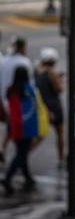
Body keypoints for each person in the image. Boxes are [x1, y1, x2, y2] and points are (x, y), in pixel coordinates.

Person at [2, 67, 37, 195]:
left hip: (14, 125)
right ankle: (8, 178)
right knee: (21, 154)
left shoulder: (11, 90)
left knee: (22, 152)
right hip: (25, 127)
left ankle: (28, 177)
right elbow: (34, 107)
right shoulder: (28, 89)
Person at [0, 37, 34, 162]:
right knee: (20, 136)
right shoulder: (24, 62)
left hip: (5, 100)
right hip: (18, 102)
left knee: (11, 129)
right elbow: (30, 84)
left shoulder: (5, 60)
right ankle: (19, 160)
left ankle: (4, 150)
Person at [35, 47, 64, 167]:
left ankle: (24, 154)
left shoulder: (37, 71)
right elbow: (59, 89)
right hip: (54, 105)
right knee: (60, 133)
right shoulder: (51, 72)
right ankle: (61, 159)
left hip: (41, 105)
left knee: (39, 134)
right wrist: (60, 80)